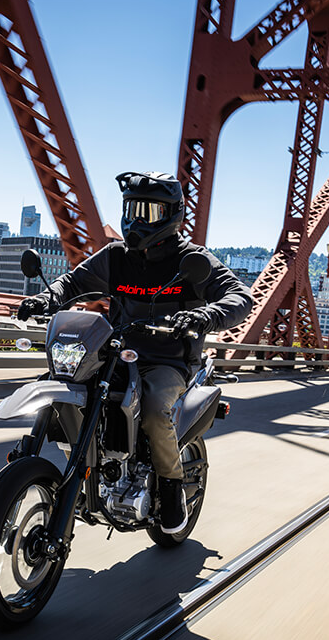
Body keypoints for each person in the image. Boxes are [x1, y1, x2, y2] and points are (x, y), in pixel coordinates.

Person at [17, 171, 252, 534]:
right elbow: (73, 282)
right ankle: (33, 467)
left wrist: (205, 316)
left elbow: (240, 296)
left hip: (167, 361)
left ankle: (172, 491)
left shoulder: (191, 260)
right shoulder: (116, 257)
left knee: (156, 410)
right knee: (56, 384)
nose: (138, 220)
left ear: (172, 214)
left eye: (150, 211)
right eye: (132, 210)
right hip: (114, 353)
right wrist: (46, 298)